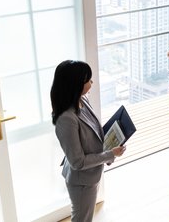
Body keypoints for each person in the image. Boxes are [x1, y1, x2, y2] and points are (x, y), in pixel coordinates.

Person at [50, 60, 127, 222]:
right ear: (75, 84)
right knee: (82, 219)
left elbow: (92, 132)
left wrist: (110, 148)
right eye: (88, 80)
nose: (91, 82)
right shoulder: (66, 119)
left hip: (90, 175)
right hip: (81, 182)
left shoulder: (81, 100)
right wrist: (109, 154)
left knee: (85, 216)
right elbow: (77, 162)